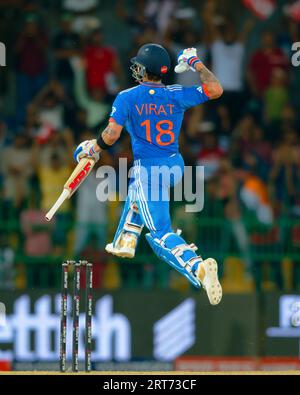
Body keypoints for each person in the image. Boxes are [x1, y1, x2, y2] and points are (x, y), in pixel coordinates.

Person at [73, 44, 223, 305]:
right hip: (174, 165)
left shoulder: (127, 97)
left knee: (158, 235)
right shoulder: (175, 93)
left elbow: (111, 135)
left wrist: (93, 148)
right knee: (136, 190)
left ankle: (197, 268)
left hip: (149, 171)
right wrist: (194, 62)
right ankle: (126, 239)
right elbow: (215, 89)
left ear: (144, 69)